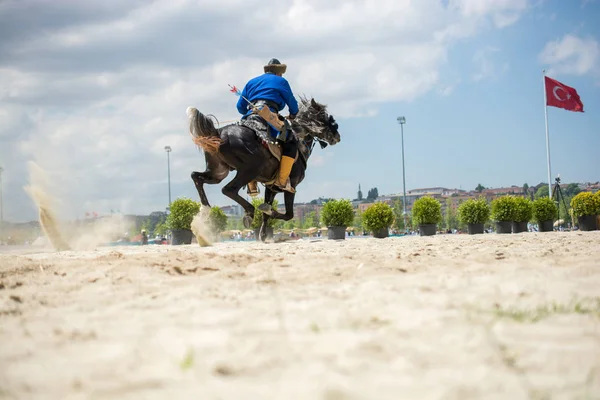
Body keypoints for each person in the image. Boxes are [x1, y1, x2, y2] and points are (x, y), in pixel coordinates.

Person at [237, 58, 300, 195]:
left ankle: (251, 184)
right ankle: (282, 181)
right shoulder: (281, 81)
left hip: (249, 116)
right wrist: (293, 114)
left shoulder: (251, 82)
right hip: (269, 116)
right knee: (291, 141)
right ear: (278, 72)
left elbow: (240, 107)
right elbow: (291, 102)